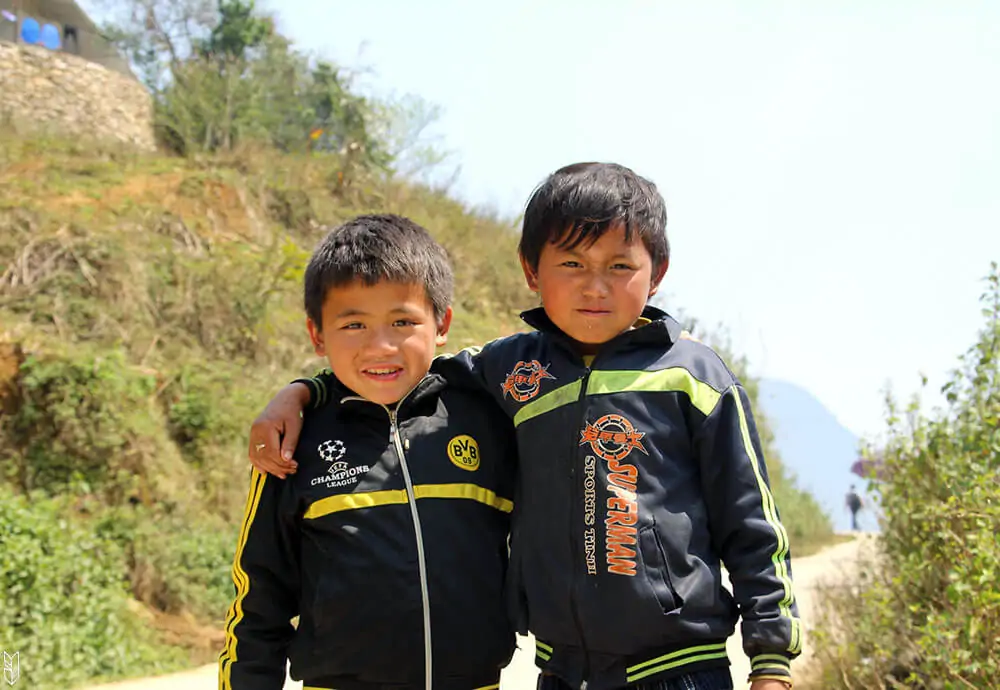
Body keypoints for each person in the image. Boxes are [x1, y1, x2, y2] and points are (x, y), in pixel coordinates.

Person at [250, 163, 800, 690]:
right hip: (561, 671)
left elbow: (751, 523)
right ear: (532, 271)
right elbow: (401, 369)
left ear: (657, 273)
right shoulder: (510, 369)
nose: (595, 287)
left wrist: (770, 658)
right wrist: (304, 392)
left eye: (619, 266)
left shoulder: (693, 376)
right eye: (572, 264)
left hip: (679, 663)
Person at [219, 214, 518, 690]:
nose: (381, 347)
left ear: (442, 324)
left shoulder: (484, 412)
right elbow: (260, 601)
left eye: (402, 321)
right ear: (318, 336)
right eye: (353, 324)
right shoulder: (294, 441)